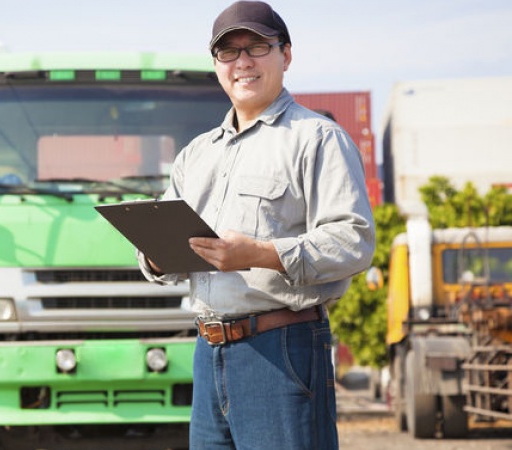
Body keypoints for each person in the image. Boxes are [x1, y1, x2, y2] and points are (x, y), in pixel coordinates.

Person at [137, 1, 375, 449]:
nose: (242, 62)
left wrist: (260, 255)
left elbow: (353, 242)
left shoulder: (317, 138)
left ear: (286, 55)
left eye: (257, 47)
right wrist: (154, 250)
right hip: (208, 354)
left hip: (282, 349)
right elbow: (166, 256)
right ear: (216, 66)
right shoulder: (196, 154)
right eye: (229, 52)